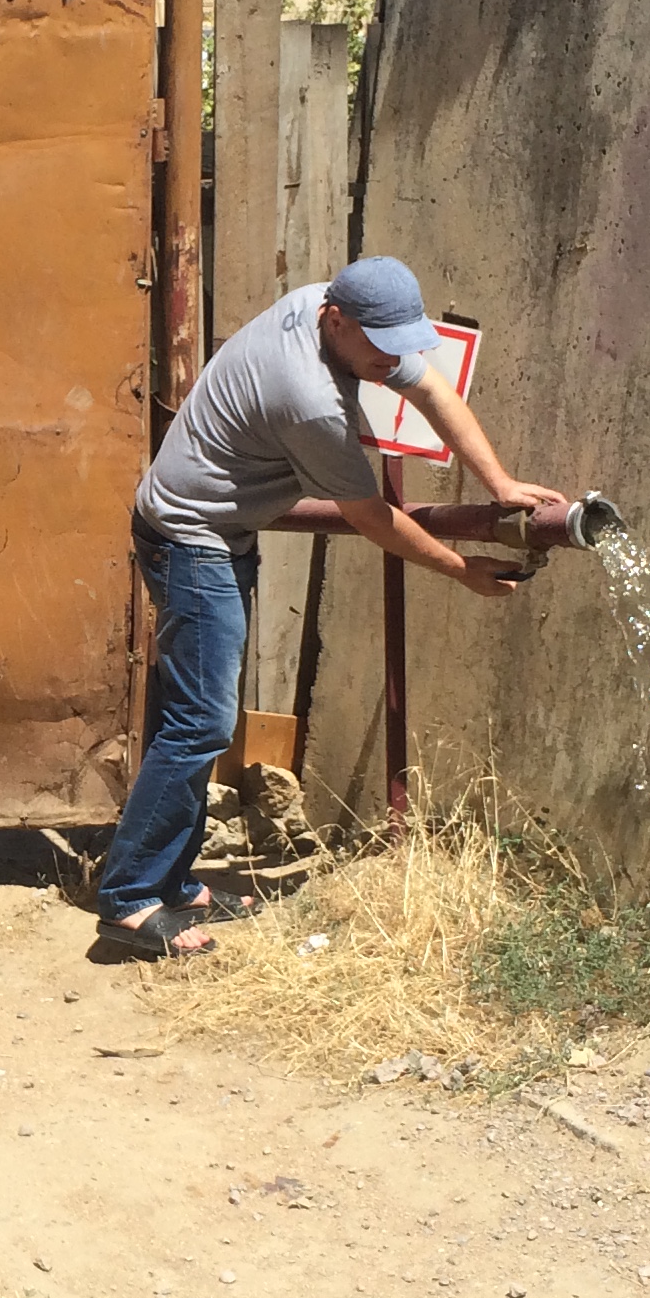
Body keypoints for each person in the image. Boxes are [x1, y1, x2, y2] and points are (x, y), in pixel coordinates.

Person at [95, 256, 566, 960]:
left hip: (212, 527)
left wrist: (498, 482)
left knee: (191, 715)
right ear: (338, 322)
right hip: (192, 538)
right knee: (201, 722)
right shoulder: (308, 397)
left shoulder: (331, 305)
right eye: (381, 346)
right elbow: (372, 516)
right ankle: (130, 900)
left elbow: (430, 386)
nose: (393, 360)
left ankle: (174, 880)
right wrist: (464, 570)